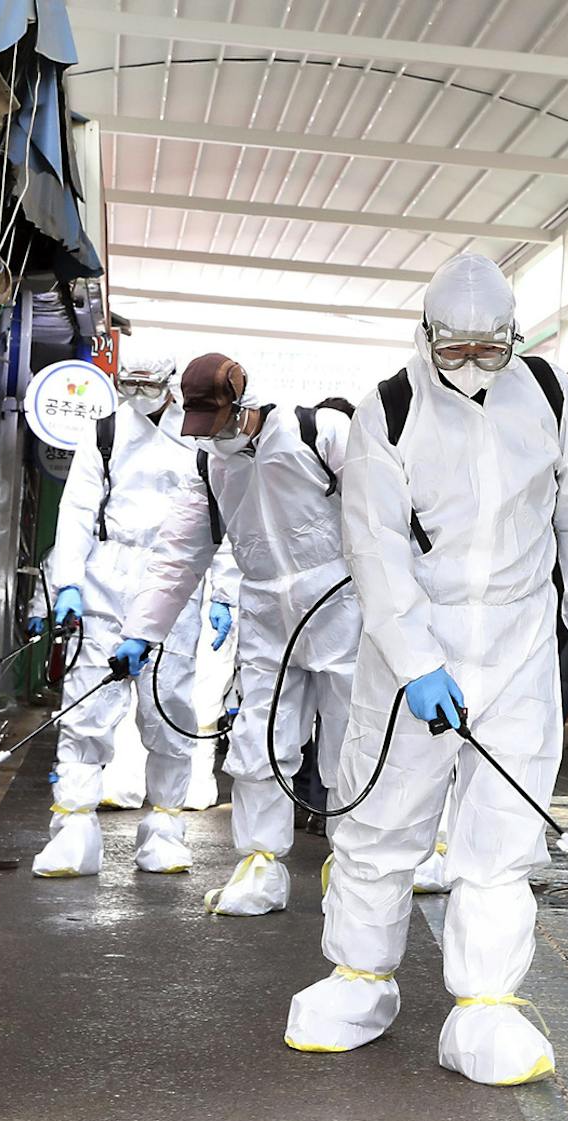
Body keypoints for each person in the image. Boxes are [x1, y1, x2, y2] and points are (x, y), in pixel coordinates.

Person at [283, 253, 568, 1086]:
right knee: (382, 823)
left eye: (489, 349)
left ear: (515, 335)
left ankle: (485, 1008)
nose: (471, 366)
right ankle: (359, 981)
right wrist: (418, 662)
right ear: (425, 334)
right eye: (454, 350)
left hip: (518, 648)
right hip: (412, 654)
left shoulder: (548, 394)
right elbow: (374, 547)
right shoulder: (388, 409)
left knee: (503, 834)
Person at [115, 352, 362, 917]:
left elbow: (383, 515)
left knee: (350, 745)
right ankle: (260, 866)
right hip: (267, 618)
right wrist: (142, 629)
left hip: (342, 608)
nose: (212, 436)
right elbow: (179, 554)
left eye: (219, 422)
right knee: (258, 743)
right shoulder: (208, 464)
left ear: (244, 403)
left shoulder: (319, 432)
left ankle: (355, 868)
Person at [34, 359, 230, 877]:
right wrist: (68, 583)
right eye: (129, 384)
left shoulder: (198, 438)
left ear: (170, 386)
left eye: (148, 385)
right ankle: (73, 828)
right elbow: (76, 509)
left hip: (176, 583)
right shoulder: (105, 431)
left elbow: (223, 513)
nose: (138, 394)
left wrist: (225, 592)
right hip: (108, 576)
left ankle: (165, 829)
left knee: (168, 709)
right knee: (87, 705)